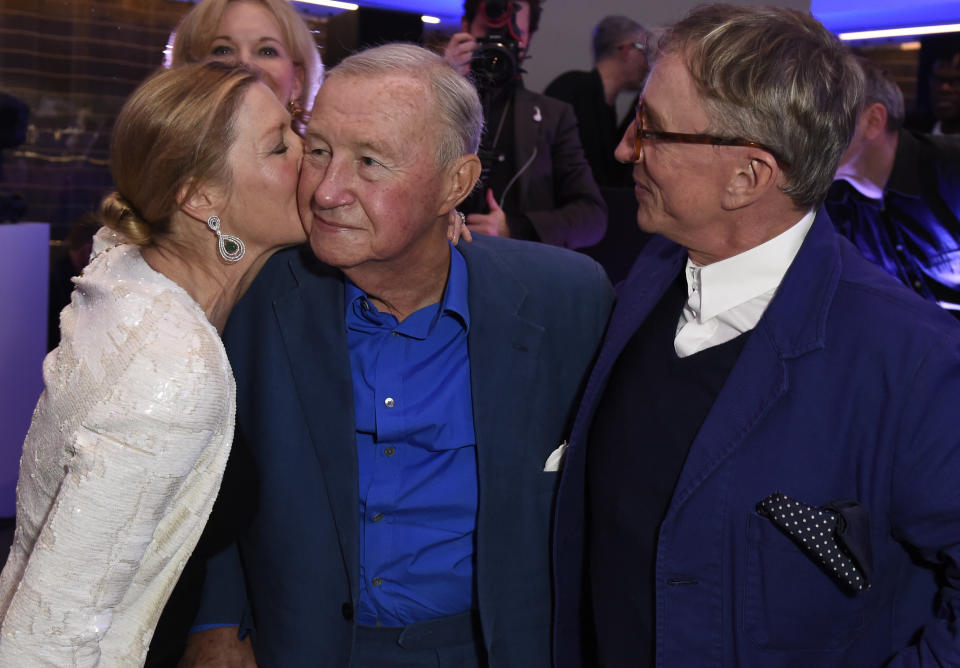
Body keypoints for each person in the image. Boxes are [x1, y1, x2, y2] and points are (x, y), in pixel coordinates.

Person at [179, 43, 614, 667]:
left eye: (371, 162)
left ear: (455, 184)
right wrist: (217, 622)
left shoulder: (566, 301)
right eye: (319, 151)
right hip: (300, 646)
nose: (328, 192)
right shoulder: (254, 296)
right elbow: (209, 475)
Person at [553, 5, 960, 667]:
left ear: (748, 177)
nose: (627, 147)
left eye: (652, 128)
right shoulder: (648, 281)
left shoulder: (913, 360)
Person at [0, 61, 306, 666]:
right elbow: (47, 641)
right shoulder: (172, 369)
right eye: (280, 146)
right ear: (200, 197)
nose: (311, 151)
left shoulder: (128, 267)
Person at [443, 0, 607, 248]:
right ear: (465, 27)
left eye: (511, 36)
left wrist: (514, 228)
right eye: (488, 34)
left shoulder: (554, 116)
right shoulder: (438, 98)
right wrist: (442, 82)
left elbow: (592, 217)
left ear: (529, 37)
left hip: (514, 267)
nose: (497, 45)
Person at [826, 57, 960, 317]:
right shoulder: (833, 203)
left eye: (825, 115)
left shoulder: (952, 171)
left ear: (873, 120)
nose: (808, 130)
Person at [169, 0, 324, 132]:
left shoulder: (322, 166)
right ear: (190, 73)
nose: (245, 64)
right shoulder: (158, 163)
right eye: (223, 50)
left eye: (267, 51)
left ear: (297, 80)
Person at [545, 15, 650, 188]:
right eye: (643, 50)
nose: (647, 62)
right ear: (626, 50)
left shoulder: (607, 107)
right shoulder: (571, 87)